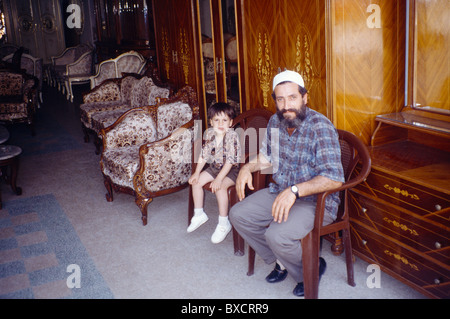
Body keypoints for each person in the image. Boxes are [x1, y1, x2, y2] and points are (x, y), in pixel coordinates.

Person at [229, 70, 344, 297]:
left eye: (292, 97)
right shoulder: (275, 121)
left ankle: (308, 271)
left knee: (276, 235)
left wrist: (295, 191)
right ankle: (282, 260)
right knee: (239, 214)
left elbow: (334, 178)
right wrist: (246, 168)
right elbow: (267, 157)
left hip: (315, 200)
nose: (286, 105)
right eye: (280, 99)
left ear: (305, 97)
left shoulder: (320, 127)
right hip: (280, 191)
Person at [188, 102, 241, 244]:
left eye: (224, 120)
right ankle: (199, 214)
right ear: (211, 122)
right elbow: (204, 155)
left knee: (220, 187)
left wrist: (218, 179)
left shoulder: (232, 137)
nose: (220, 123)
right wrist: (196, 173)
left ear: (230, 122)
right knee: (196, 182)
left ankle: (224, 223)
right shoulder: (211, 134)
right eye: (216, 120)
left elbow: (230, 162)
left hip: (232, 170)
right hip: (215, 167)